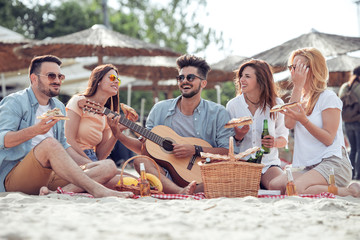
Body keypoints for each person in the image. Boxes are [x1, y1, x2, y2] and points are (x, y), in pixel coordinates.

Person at [0, 55, 133, 198]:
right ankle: (97, 190)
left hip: (50, 175)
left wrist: (90, 166)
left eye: (60, 76)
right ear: (34, 78)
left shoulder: (58, 107)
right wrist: (36, 130)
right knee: (50, 144)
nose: (57, 81)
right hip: (16, 177)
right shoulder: (15, 101)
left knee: (108, 166)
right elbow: (3, 139)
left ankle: (55, 194)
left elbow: (64, 146)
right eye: (51, 76)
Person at [107, 54, 234, 194]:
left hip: (202, 174)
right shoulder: (160, 109)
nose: (184, 81)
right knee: (140, 161)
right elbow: (145, 148)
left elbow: (227, 152)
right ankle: (181, 191)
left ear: (203, 83)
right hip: (165, 175)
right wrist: (118, 134)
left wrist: (195, 149)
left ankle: (192, 188)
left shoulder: (218, 113)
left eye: (190, 77)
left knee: (227, 177)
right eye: (181, 78)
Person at [282, 47, 360, 197]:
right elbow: (288, 123)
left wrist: (304, 120)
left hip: (334, 163)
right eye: (292, 67)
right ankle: (322, 187)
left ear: (313, 69)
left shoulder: (328, 97)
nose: (293, 71)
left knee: (294, 189)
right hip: (313, 165)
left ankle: (348, 191)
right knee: (275, 184)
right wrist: (297, 88)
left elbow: (328, 138)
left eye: (298, 67)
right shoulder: (300, 98)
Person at [226, 59, 289, 191]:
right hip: (242, 165)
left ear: (261, 80)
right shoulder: (233, 105)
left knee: (280, 187)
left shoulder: (276, 104)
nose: (241, 79)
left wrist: (274, 142)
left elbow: (283, 139)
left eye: (247, 76)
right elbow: (227, 143)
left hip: (268, 165)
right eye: (241, 76)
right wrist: (239, 136)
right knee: (240, 190)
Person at [65, 64, 137, 163]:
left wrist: (116, 132)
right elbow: (68, 140)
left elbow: (100, 155)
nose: (116, 81)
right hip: (73, 156)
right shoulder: (78, 101)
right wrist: (90, 163)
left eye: (118, 80)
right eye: (112, 78)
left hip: (93, 158)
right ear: (98, 80)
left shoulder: (107, 115)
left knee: (131, 178)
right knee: (110, 165)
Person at [338, 66, 360, 180]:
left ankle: (350, 174)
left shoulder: (344, 87)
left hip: (346, 122)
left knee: (353, 149)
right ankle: (358, 176)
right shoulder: (359, 87)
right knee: (359, 149)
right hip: (358, 121)